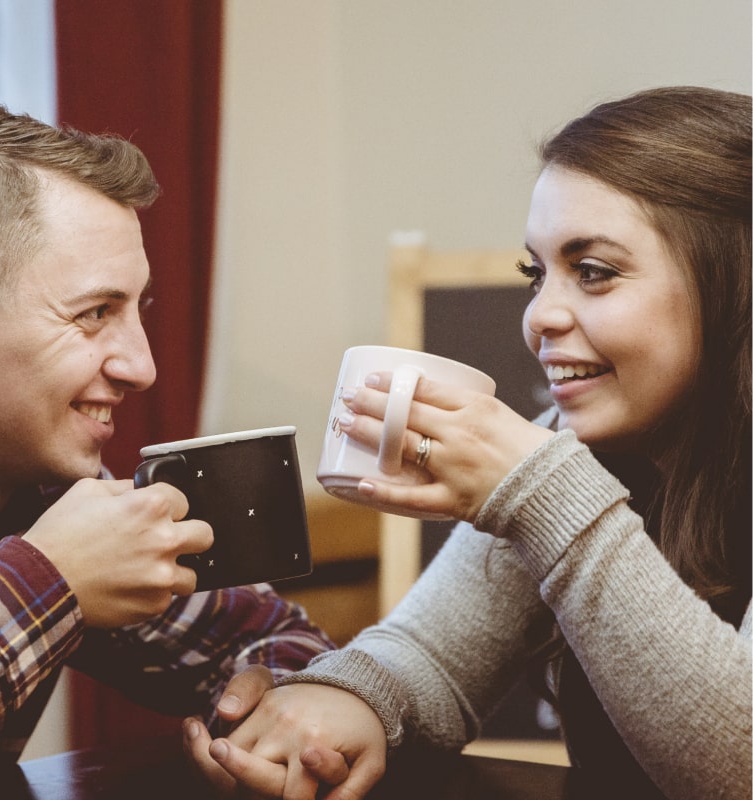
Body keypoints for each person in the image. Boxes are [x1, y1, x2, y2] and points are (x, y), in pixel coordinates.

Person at [184, 85, 752, 800]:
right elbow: (433, 655)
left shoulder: (551, 472)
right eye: (536, 274)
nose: (539, 316)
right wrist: (350, 699)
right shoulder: (576, 444)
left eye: (595, 273)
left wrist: (538, 489)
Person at [0, 102, 336, 798]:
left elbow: (277, 642)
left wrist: (276, 722)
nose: (141, 367)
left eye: (136, 312)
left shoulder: (40, 482)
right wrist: (47, 580)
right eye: (94, 313)